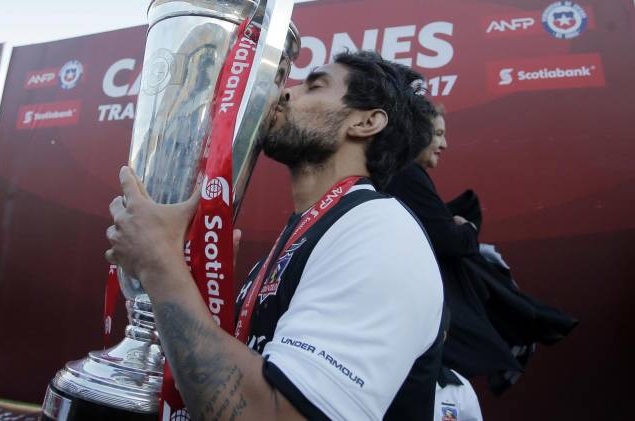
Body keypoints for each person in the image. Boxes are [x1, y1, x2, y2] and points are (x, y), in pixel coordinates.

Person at [106, 51, 444, 420]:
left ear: (366, 121)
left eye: (314, 86)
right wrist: (185, 289)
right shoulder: (309, 232)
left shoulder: (379, 231)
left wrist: (159, 264)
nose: (285, 93)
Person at [386, 106, 577, 395]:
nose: (444, 144)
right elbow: (450, 241)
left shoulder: (401, 174)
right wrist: (467, 229)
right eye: (438, 134)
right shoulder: (405, 173)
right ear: (416, 133)